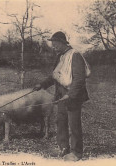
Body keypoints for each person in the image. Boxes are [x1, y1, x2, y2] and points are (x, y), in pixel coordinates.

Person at [34, 31, 90, 161]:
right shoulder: (60, 56)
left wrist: (70, 95)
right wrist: (42, 85)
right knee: (61, 122)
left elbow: (79, 80)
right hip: (61, 95)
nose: (53, 46)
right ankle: (63, 148)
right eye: (52, 44)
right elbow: (56, 76)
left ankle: (76, 153)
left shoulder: (75, 55)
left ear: (62, 43)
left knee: (74, 124)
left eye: (55, 44)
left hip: (73, 96)